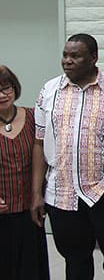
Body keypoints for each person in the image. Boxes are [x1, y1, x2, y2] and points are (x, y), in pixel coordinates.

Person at [31, 33, 104, 280]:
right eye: (65, 55)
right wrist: (36, 193)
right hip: (62, 193)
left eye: (75, 56)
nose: (67, 61)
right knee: (75, 262)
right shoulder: (49, 90)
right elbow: (39, 142)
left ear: (93, 58)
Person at [0, 65, 50, 280]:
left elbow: (47, 154)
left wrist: (39, 194)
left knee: (31, 269)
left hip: (30, 210)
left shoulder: (33, 117)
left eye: (6, 88)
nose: (2, 95)